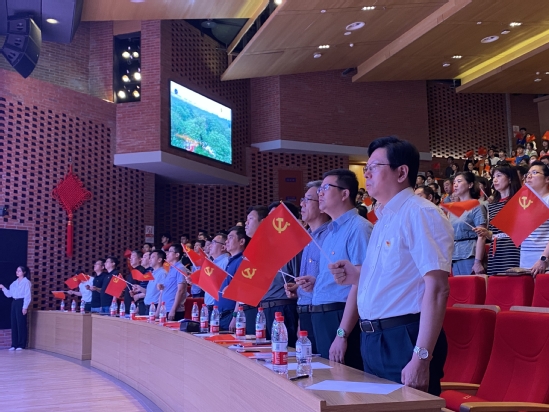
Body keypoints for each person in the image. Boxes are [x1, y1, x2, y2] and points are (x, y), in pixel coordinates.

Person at [329, 136, 453, 396]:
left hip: (405, 337)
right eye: (366, 168)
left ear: (401, 172)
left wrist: (421, 356)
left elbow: (437, 288)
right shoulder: (384, 218)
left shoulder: (421, 212)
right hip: (373, 337)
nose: (366, 174)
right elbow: (395, 275)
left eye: (374, 167)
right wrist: (356, 275)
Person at [311, 169, 373, 371]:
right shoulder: (330, 232)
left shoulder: (359, 228)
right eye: (319, 189)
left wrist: (342, 333)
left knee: (344, 379)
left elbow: (360, 282)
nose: (320, 193)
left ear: (345, 193)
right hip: (322, 315)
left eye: (325, 188)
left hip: (341, 316)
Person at [285, 180, 331, 353]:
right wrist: (298, 288)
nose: (302, 204)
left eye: (307, 200)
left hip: (323, 311)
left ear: (322, 204)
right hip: (305, 311)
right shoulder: (307, 238)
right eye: (302, 200)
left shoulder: (330, 235)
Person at [474, 164, 522, 275]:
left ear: (510, 179)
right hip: (496, 251)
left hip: (513, 250)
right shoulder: (492, 205)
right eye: (493, 177)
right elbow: (494, 233)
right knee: (496, 282)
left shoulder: (520, 201)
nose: (495, 180)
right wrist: (486, 233)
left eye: (499, 176)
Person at [450, 172, 487, 275]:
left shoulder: (477, 206)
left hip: (470, 253)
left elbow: (482, 235)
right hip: (455, 255)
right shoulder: (453, 208)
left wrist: (478, 261)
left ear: (470, 185)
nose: (455, 185)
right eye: (454, 182)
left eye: (459, 181)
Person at [241, 205, 269, 333]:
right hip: (250, 306)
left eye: (250, 219)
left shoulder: (269, 246)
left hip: (264, 305)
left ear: (263, 222)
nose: (246, 223)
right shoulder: (252, 247)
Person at [520, 162, 549, 276]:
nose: (529, 176)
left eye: (535, 172)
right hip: (525, 261)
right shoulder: (525, 202)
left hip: (544, 263)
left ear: (547, 179)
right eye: (528, 174)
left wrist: (544, 258)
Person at [222, 226, 250, 331]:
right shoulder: (231, 260)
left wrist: (235, 316)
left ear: (241, 241)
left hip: (231, 314)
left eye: (230, 237)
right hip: (223, 314)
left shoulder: (242, 261)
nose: (226, 241)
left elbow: (241, 290)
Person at [0, 266, 32, 351]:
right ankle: (14, 344)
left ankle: (21, 344)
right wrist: (3, 288)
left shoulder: (26, 282)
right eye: (17, 271)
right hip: (14, 302)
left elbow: (27, 296)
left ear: (24, 272)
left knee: (21, 323)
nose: (17, 272)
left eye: (19, 271)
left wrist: (25, 307)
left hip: (21, 302)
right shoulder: (14, 283)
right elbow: (9, 294)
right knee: (14, 323)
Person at [157, 244, 187, 320]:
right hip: (165, 307)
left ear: (177, 255)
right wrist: (162, 286)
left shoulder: (180, 268)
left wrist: (173, 310)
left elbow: (180, 290)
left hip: (174, 309)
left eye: (170, 251)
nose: (167, 253)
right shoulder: (171, 268)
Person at [204, 233, 230, 313]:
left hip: (218, 307)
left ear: (223, 247)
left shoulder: (226, 261)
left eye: (214, 242)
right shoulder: (213, 262)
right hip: (209, 306)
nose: (210, 246)